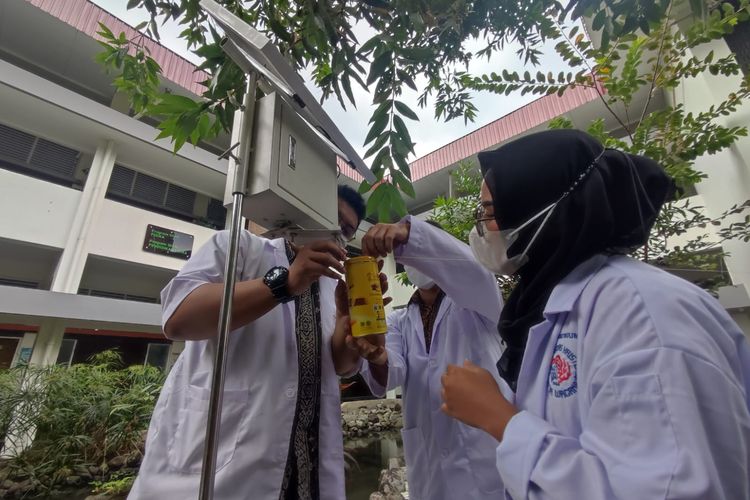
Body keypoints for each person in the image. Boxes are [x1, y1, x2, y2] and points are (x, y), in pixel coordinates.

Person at [440, 129, 750, 499]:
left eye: (489, 211)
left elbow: (667, 490)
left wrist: (502, 422)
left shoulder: (643, 315)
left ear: (542, 209)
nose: (481, 228)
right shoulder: (556, 307)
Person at [129, 185, 369, 500]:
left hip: (307, 471)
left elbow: (339, 366)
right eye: (333, 218)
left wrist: (347, 328)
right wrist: (285, 283)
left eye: (347, 230)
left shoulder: (332, 284)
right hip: (220, 465)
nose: (337, 232)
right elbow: (178, 317)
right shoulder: (239, 247)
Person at [332, 217, 505, 499]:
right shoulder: (401, 318)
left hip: (484, 467)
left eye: (420, 252)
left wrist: (409, 235)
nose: (415, 263)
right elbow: (394, 369)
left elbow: (471, 269)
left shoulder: (475, 300)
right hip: (429, 471)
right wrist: (378, 356)